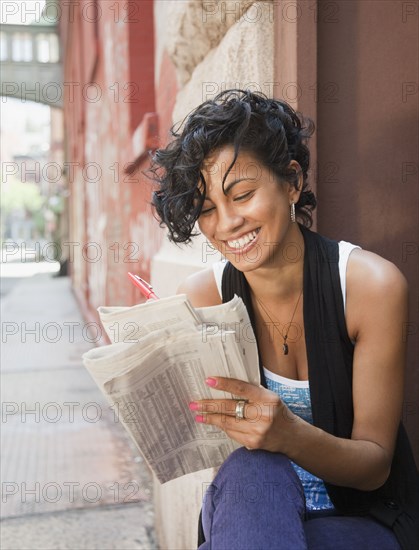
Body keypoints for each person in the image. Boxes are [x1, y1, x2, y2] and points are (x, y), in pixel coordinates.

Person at [149, 89, 419, 549]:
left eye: (243, 195)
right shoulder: (201, 296)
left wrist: (288, 435)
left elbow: (375, 467)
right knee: (254, 467)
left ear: (291, 182)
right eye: (208, 209)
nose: (228, 222)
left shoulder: (370, 286)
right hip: (253, 511)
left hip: (357, 518)